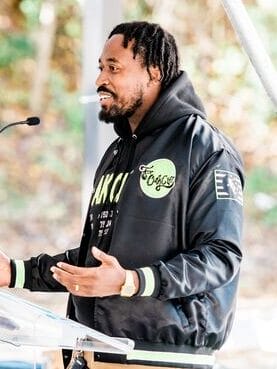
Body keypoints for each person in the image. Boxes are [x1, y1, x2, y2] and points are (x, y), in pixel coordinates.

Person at [0, 21, 244, 369]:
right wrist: (16, 272)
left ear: (154, 71)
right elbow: (97, 262)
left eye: (114, 68)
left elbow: (222, 256)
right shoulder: (118, 152)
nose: (101, 79)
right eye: (101, 67)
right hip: (91, 354)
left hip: (156, 359)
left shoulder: (203, 147)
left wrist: (132, 281)